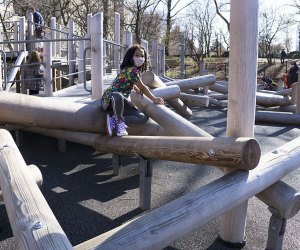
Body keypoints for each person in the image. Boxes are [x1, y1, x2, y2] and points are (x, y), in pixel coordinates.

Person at [101, 44, 164, 137]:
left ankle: (113, 119)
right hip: (110, 99)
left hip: (122, 102)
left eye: (142, 56)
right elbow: (143, 87)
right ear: (130, 56)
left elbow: (129, 82)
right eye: (137, 55)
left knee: (142, 117)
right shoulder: (132, 70)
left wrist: (136, 89)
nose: (140, 58)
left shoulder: (129, 70)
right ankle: (118, 122)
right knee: (117, 95)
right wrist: (154, 99)